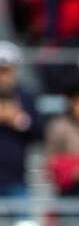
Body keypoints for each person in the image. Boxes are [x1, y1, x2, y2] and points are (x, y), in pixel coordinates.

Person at [0, 41, 43, 197]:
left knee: (24, 222)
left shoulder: (25, 97)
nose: (3, 76)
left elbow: (39, 133)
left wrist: (19, 120)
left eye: (6, 71)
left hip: (16, 180)